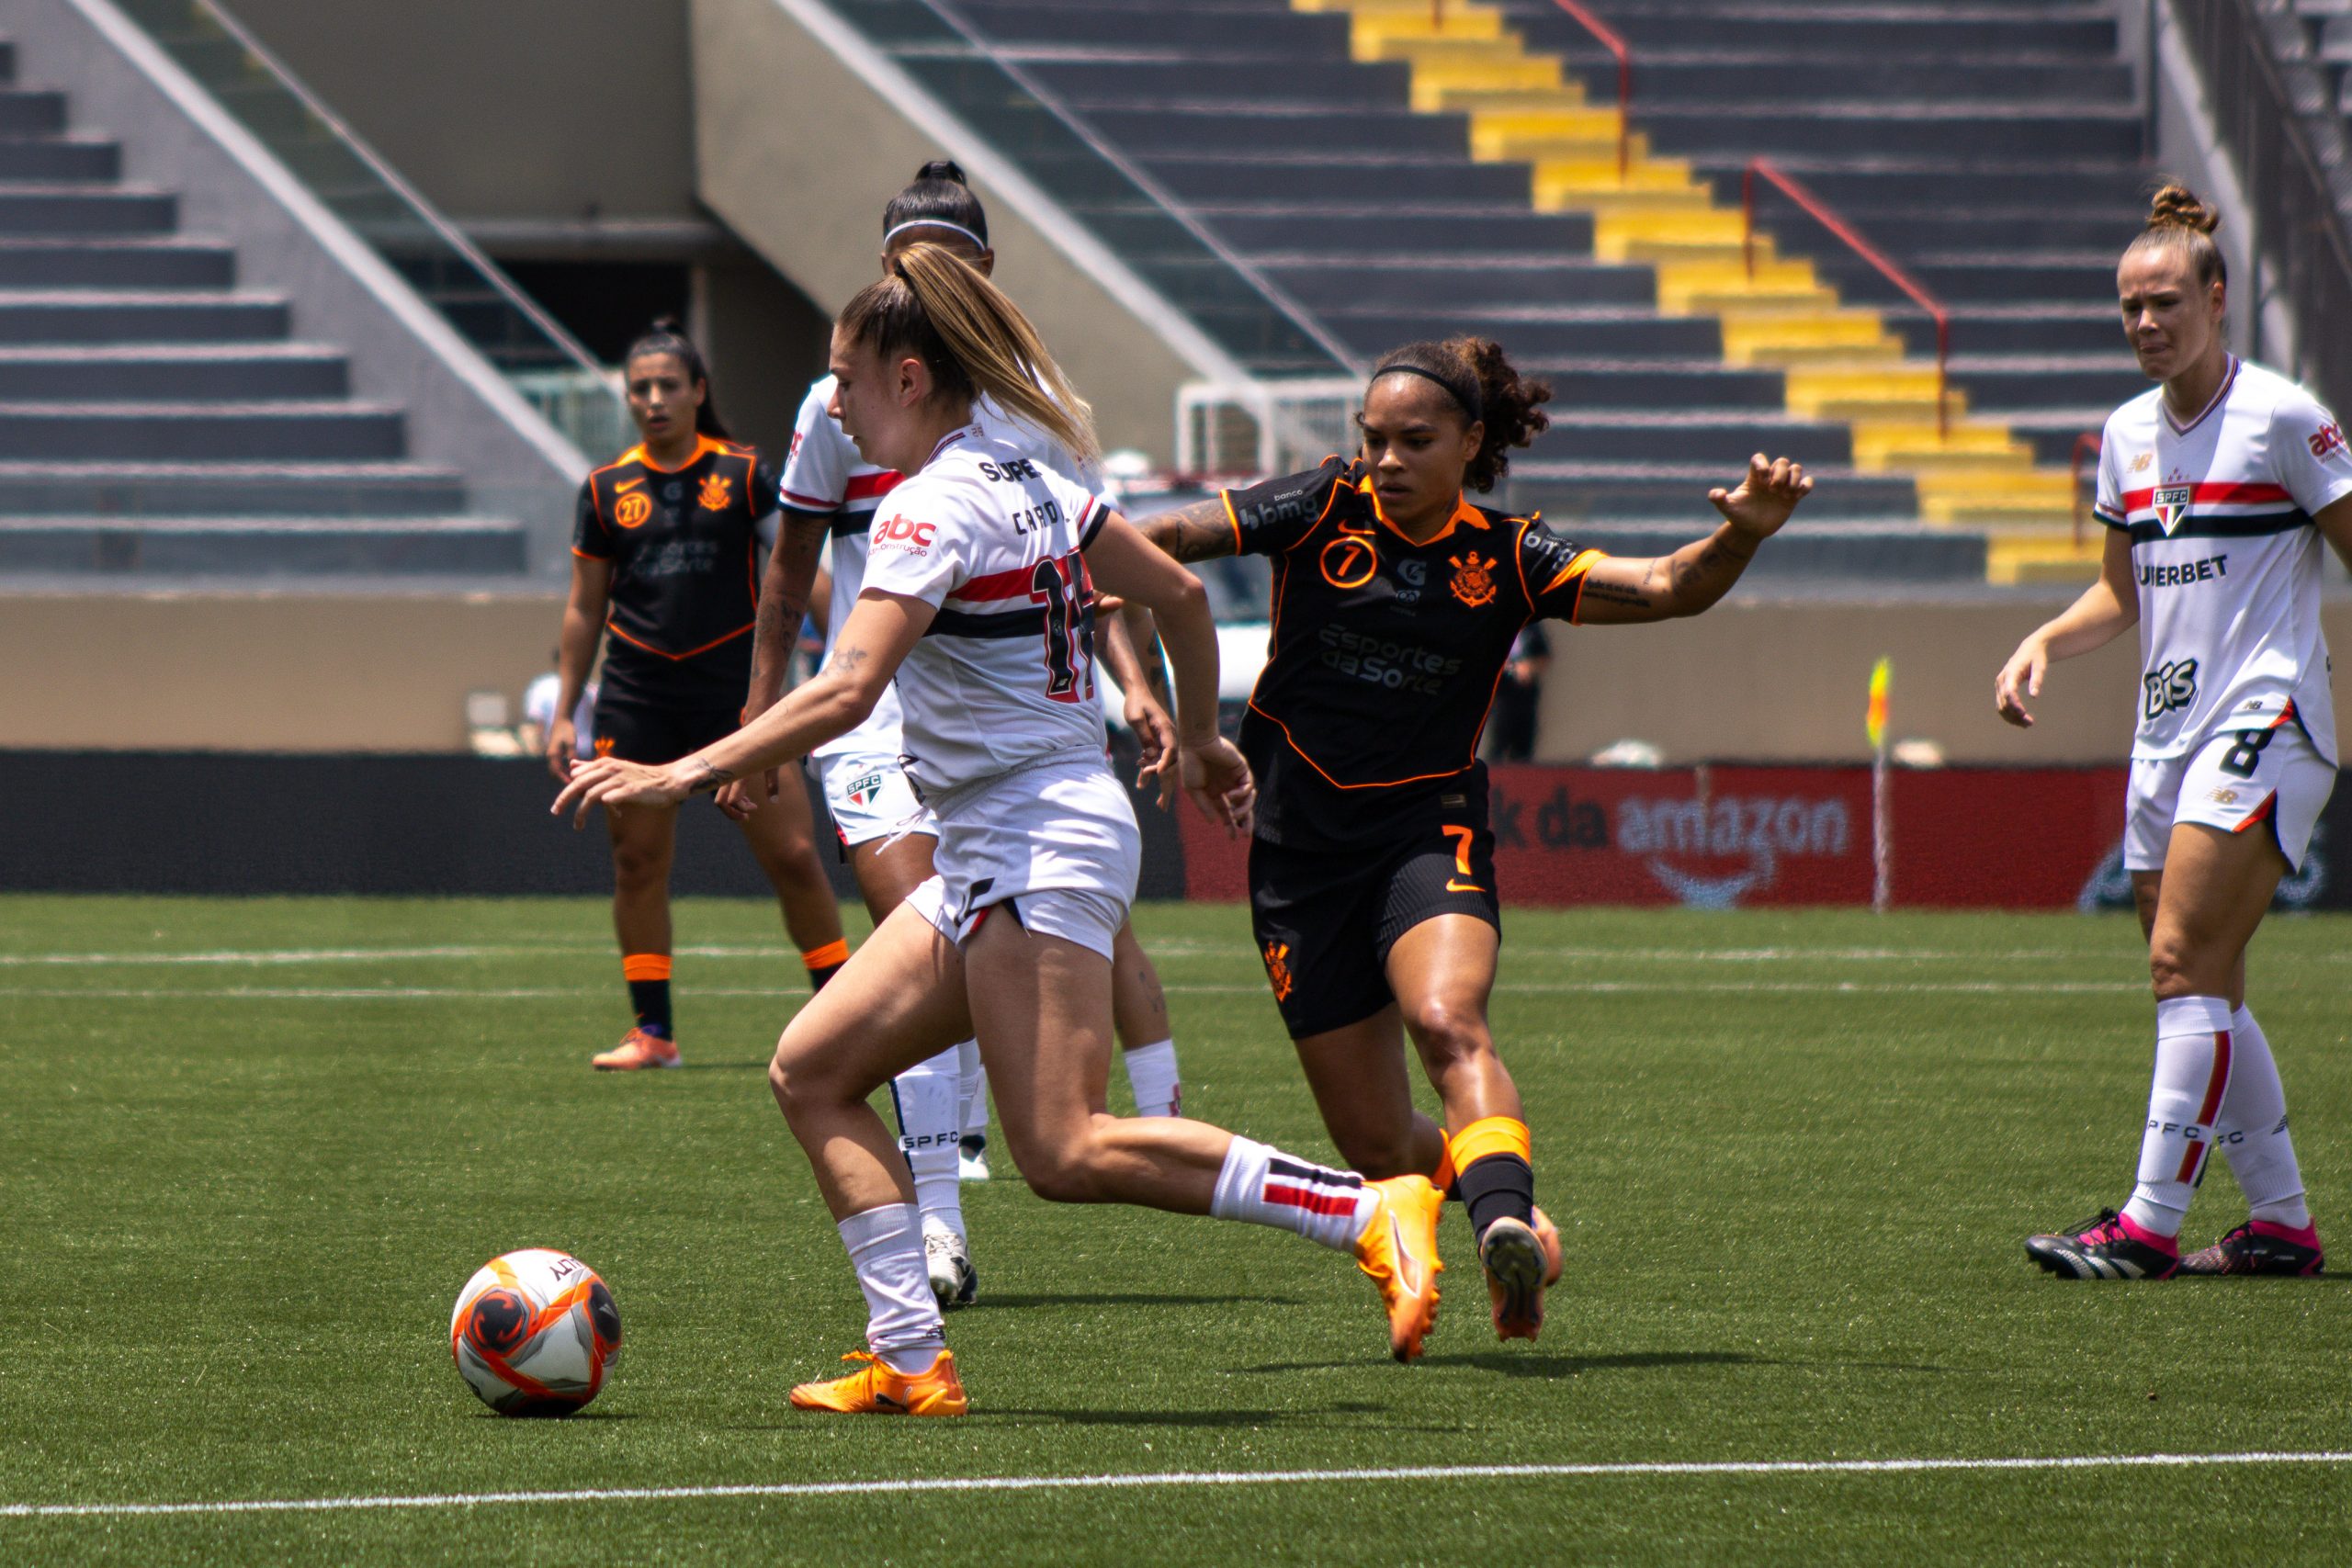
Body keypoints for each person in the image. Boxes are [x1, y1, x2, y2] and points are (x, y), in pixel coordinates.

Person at [555, 244, 1447, 1415]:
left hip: (1035, 839)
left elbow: (846, 692)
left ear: (911, 377)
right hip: (1005, 839)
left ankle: (1363, 1208)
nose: (834, 403)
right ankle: (912, 1359)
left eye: (847, 380)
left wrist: (681, 769)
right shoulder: (1024, 473)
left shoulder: (928, 509)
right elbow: (1179, 597)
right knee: (812, 1070)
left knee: (1064, 1150)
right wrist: (1203, 734)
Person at [1135, 335, 1815, 1339]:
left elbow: (1670, 586)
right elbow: (1162, 544)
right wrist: (1144, 669)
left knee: (1449, 1020)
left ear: (1472, 443)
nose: (1387, 461)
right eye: (1373, 440)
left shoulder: (1510, 555)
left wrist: (1743, 536)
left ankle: (1500, 1230)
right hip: (1296, 856)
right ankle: (1507, 1202)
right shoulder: (1319, 506)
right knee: (1374, 1142)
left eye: (1415, 440)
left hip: (1423, 834)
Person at [727, 161, 1186, 1306]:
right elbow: (790, 557)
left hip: (1021, 729)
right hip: (871, 704)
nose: (924, 272)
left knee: (1039, 1061)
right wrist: (758, 712)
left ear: (983, 270)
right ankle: (935, 1228)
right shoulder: (844, 390)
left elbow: (1097, 569)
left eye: (949, 254)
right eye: (905, 254)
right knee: (903, 934)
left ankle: (1174, 1136)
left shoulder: (1032, 402)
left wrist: (1138, 688)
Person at [1997, 186, 2352, 1280]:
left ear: (2217, 297)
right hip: (2167, 729)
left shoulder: (2285, 419)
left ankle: (2147, 1224)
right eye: (2128, 309)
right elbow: (2124, 591)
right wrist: (2046, 642)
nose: (2146, 324)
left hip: (2268, 714)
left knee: (2179, 960)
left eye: (2164, 303)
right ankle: (2282, 1224)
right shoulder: (2122, 435)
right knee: (2203, 979)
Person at [550, 319, 850, 1071]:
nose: (653, 400)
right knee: (638, 864)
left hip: (739, 699)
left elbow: (800, 574)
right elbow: (585, 607)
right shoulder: (604, 488)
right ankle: (652, 1032)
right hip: (635, 699)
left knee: (792, 855)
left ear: (698, 392)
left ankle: (846, 1013)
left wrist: (854, 657)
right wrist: (563, 709)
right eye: (640, 388)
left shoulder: (746, 472)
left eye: (668, 386)